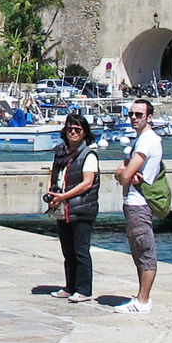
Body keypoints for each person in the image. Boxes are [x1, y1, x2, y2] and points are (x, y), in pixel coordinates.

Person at [111, 98, 164, 314]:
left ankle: (143, 301)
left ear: (149, 117)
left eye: (138, 115)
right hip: (134, 202)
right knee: (138, 251)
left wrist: (123, 172)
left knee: (145, 250)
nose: (133, 118)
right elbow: (122, 172)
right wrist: (123, 172)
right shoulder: (141, 140)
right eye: (131, 114)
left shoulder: (146, 141)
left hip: (139, 203)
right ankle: (141, 296)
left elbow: (123, 176)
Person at [46, 114, 100, 301]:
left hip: (82, 208)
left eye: (77, 129)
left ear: (84, 132)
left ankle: (84, 289)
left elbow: (87, 183)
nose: (73, 132)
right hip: (64, 208)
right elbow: (54, 174)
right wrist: (52, 195)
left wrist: (64, 196)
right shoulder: (61, 151)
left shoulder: (89, 155)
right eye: (70, 129)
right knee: (67, 251)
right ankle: (70, 286)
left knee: (80, 251)